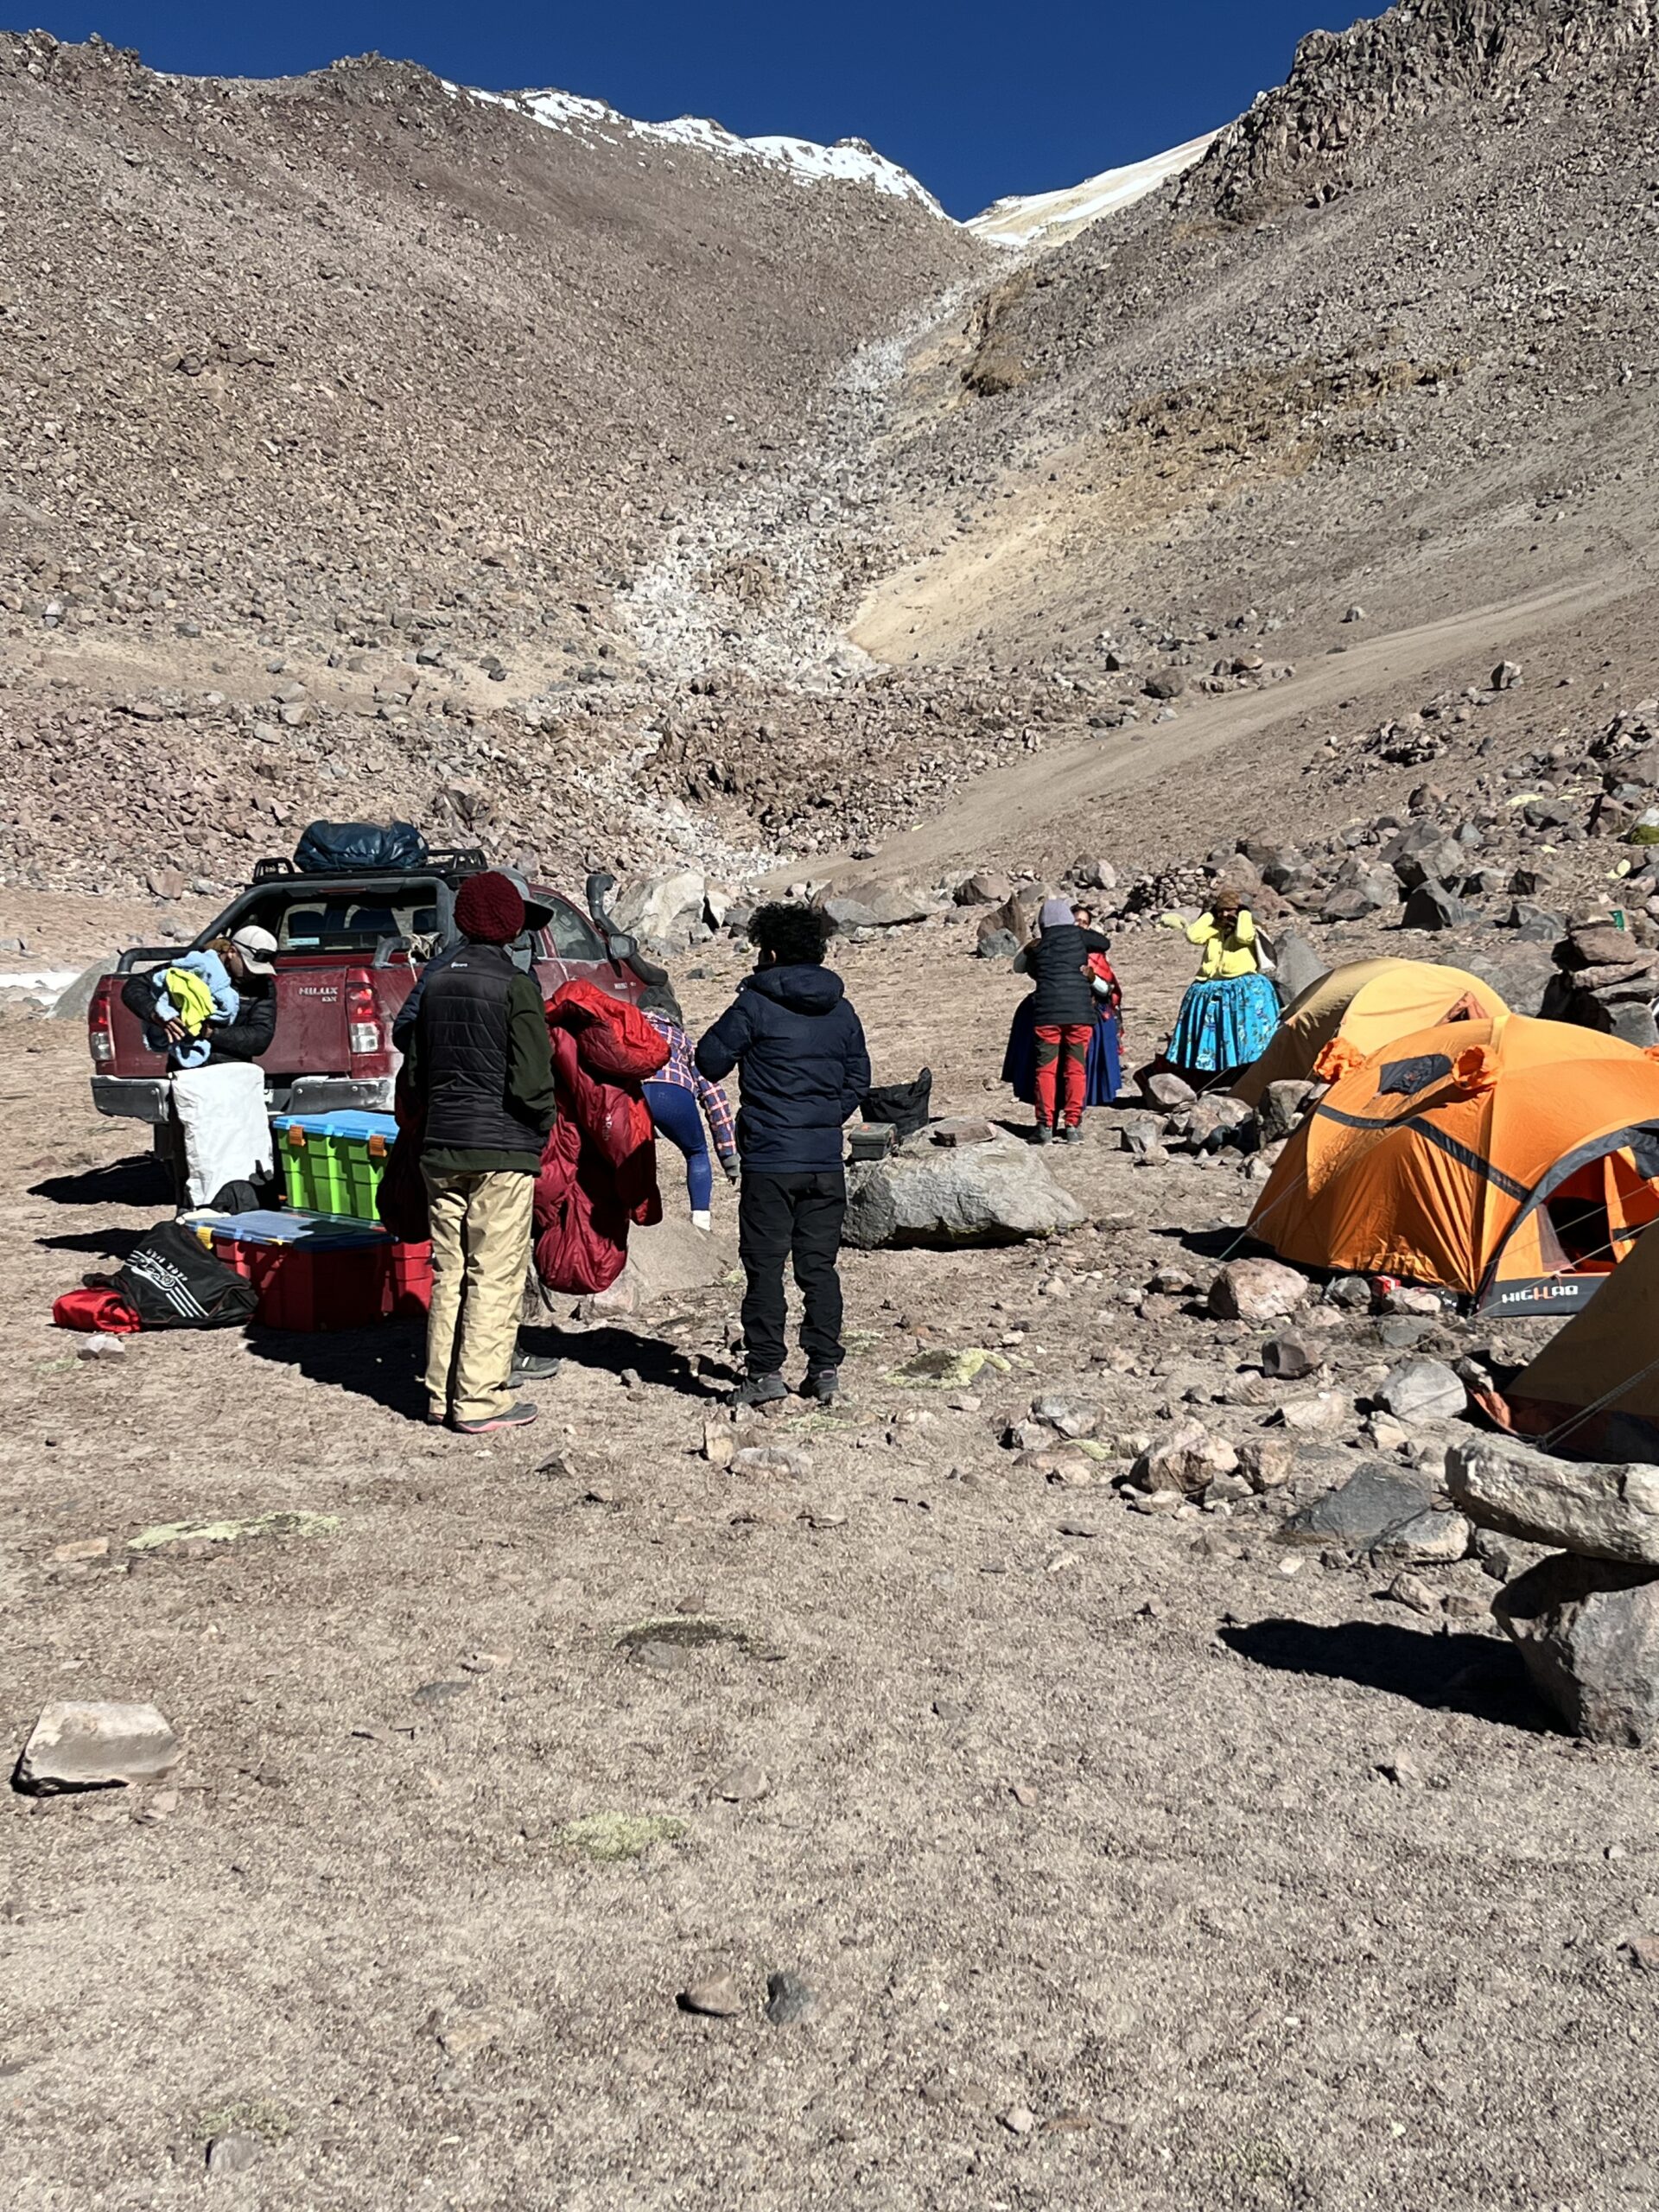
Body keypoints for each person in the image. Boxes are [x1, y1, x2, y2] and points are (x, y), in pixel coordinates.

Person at [401, 871, 557, 1435]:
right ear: (512, 925)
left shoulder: (436, 981)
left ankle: (441, 1393)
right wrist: (542, 1125)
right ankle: (479, 1400)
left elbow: (415, 1073)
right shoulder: (516, 987)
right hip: (501, 1150)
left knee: (449, 1272)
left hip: (440, 1146)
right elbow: (533, 1081)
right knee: (495, 1273)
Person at [696, 903, 870, 1408]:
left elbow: (708, 1060)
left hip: (771, 1159)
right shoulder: (842, 1009)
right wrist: (820, 1119)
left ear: (769, 951)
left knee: (765, 1268)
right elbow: (859, 1078)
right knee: (819, 1267)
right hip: (823, 1160)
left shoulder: (754, 1004)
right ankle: (824, 1370)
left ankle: (766, 1373)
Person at [1005, 896, 1116, 1144]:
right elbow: (1104, 942)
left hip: (1047, 1016)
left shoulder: (1040, 946)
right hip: (1079, 1016)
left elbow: (1019, 968)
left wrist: (1029, 947)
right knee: (1075, 1070)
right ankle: (1073, 1127)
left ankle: (1044, 1127)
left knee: (1045, 1070)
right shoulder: (1080, 937)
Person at [638, 982, 739, 1230]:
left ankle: (632, 1216)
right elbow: (713, 1096)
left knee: (634, 1151)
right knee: (696, 1152)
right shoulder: (684, 1041)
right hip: (675, 1096)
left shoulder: (628, 1032)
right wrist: (729, 1155)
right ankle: (701, 1221)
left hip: (633, 1095)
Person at [1160, 889, 1280, 1084]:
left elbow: (1243, 937)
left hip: (1242, 986)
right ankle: (1214, 1074)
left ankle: (1244, 1073)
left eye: (1230, 910)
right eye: (1221, 910)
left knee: (1243, 1034)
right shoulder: (1215, 929)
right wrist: (1209, 914)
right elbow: (1193, 936)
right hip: (1212, 985)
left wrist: (1243, 914)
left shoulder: (1249, 926)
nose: (1225, 914)